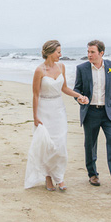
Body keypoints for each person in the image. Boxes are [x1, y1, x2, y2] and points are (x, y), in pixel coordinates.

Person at [25, 40, 89, 191]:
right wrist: (35, 116)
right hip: (44, 109)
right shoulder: (39, 70)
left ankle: (59, 177)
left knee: (60, 145)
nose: (61, 54)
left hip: (58, 110)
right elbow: (35, 95)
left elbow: (64, 88)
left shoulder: (61, 66)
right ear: (49, 52)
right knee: (47, 145)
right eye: (58, 52)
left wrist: (79, 96)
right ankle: (48, 177)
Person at [73, 40, 111, 189]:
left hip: (108, 112)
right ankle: (93, 174)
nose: (89, 55)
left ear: (101, 53)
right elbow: (76, 90)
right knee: (90, 145)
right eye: (88, 52)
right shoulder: (82, 68)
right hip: (90, 112)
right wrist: (80, 98)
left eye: (92, 52)